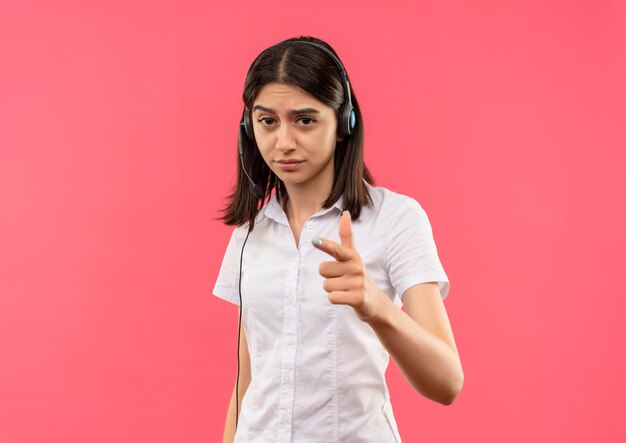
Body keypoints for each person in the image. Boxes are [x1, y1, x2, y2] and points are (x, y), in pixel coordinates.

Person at [213, 35, 464, 443]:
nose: (283, 142)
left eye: (305, 120)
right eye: (267, 121)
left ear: (344, 124)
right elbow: (248, 385)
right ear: (249, 126)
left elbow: (447, 383)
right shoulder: (249, 235)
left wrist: (375, 305)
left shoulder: (396, 219)